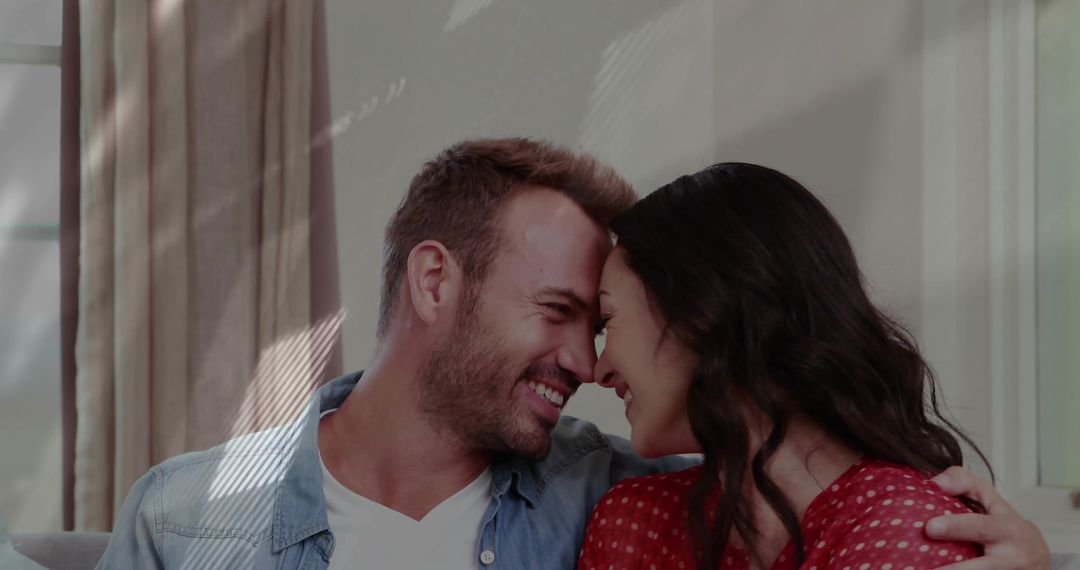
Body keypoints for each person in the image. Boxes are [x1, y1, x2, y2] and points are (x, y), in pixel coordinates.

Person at [97, 140, 1048, 569]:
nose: (586, 365)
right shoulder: (185, 518)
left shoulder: (608, 496)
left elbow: (790, 463)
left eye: (598, 324)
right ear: (435, 282)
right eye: (558, 312)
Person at [578, 163, 1046, 570]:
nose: (598, 370)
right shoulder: (632, 520)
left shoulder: (911, 528)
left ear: (702, 313)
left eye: (608, 321)